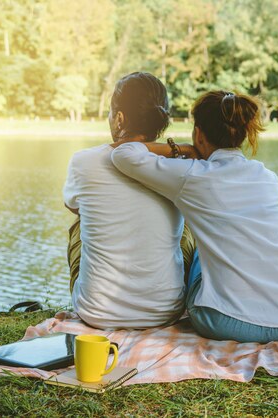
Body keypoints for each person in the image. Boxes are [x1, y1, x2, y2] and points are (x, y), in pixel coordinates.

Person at [111, 91, 278, 343]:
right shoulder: (267, 177)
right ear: (241, 134)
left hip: (227, 321)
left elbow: (123, 154)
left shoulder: (193, 176)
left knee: (196, 247)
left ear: (198, 133)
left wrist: (181, 149)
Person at [63, 72, 195, 329]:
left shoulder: (83, 162)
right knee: (188, 224)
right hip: (165, 313)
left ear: (120, 117)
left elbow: (73, 206)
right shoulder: (179, 165)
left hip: (97, 313)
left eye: (112, 113)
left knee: (79, 225)